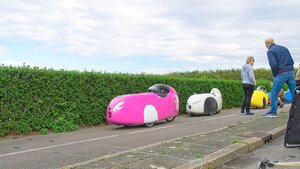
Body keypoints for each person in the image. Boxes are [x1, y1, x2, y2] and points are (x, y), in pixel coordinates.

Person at [264, 38, 296, 118]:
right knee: (295, 93)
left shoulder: (270, 51)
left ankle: (272, 112)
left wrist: (275, 74)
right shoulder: (284, 48)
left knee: (274, 93)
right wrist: (290, 69)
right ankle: (298, 111)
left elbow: (273, 64)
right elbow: (292, 61)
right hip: (291, 72)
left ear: (266, 44)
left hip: (281, 73)